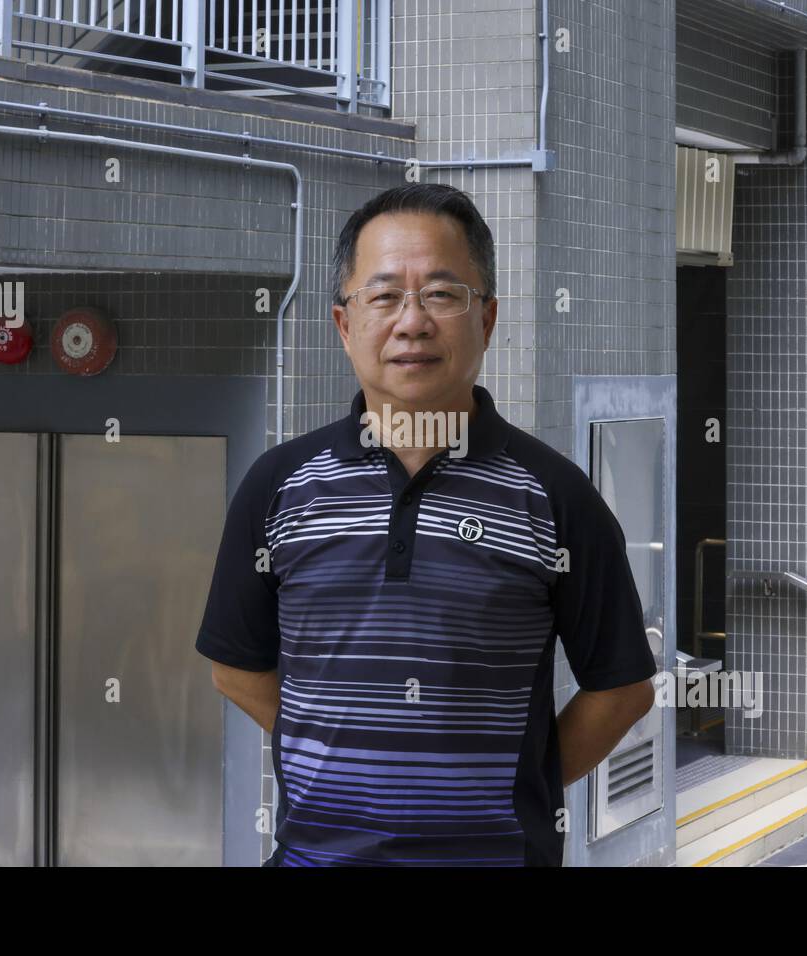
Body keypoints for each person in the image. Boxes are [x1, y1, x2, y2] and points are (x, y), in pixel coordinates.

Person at [196, 182, 657, 866]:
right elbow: (236, 669)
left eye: (443, 294)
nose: (412, 322)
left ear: (488, 319)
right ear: (344, 324)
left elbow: (621, 689)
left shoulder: (557, 496)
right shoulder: (278, 486)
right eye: (383, 296)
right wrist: (342, 755)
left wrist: (510, 782)